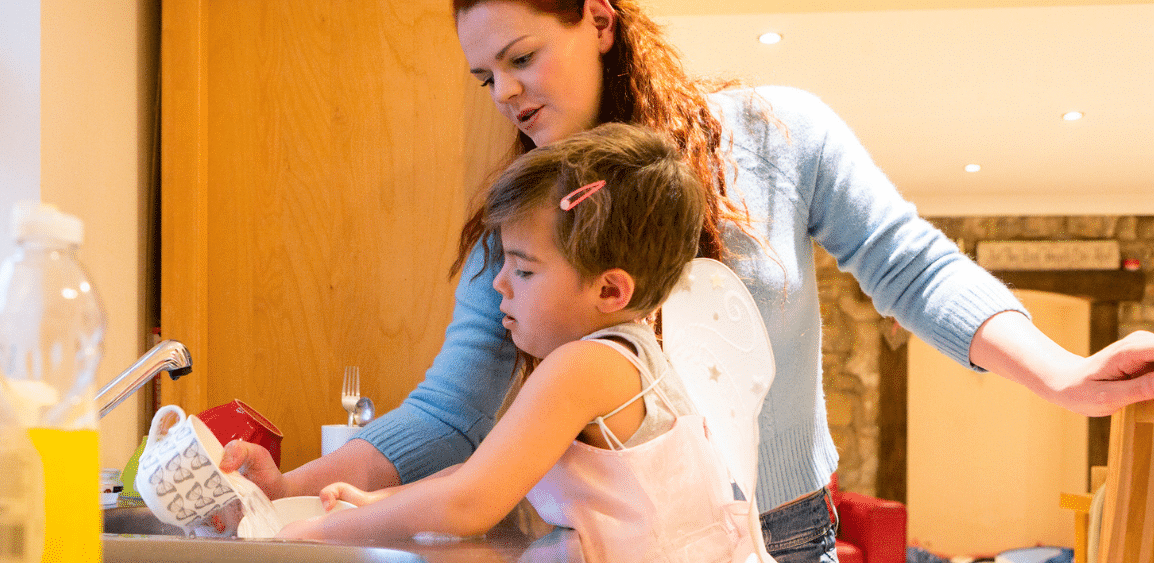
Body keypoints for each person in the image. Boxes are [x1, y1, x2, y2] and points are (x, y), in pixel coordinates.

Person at [221, 0, 1154, 559]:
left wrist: (1063, 375)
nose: (504, 92)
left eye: (520, 58)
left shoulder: (778, 136)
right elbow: (449, 416)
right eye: (482, 76)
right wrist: (291, 486)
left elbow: (909, 264)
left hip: (785, 531)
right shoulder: (520, 226)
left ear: (597, 16)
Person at [279, 122, 770, 563]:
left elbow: (469, 502)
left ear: (609, 290)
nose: (500, 284)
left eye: (524, 268)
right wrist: (378, 503)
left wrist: (324, 532)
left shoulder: (583, 366)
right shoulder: (632, 357)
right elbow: (481, 473)